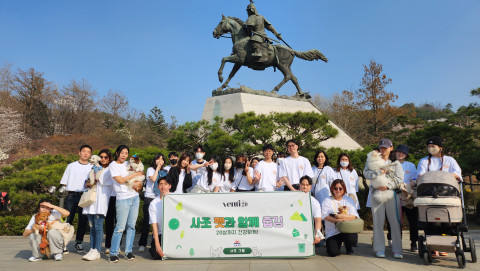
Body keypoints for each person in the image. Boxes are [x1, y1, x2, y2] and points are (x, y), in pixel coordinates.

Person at [417, 136, 462, 257]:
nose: (431, 148)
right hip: (429, 194)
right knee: (430, 219)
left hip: (447, 194)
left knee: (446, 219)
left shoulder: (449, 160)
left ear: (440, 147)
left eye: (433, 146)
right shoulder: (424, 161)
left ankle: (446, 245)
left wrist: (443, 176)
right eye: (429, 146)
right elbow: (420, 176)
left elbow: (458, 175)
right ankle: (432, 246)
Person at [364, 139, 404, 259]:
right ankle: (379, 249)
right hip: (376, 194)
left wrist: (387, 186)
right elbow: (366, 173)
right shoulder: (373, 160)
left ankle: (397, 250)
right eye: (381, 147)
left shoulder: (396, 163)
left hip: (391, 194)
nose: (383, 149)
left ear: (391, 148)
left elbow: (399, 179)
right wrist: (378, 171)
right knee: (377, 223)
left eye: (386, 147)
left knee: (395, 223)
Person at [109, 145, 144, 263]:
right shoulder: (113, 165)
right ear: (117, 153)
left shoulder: (127, 164)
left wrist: (134, 156)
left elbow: (137, 157)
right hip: (123, 198)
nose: (124, 155)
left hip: (134, 197)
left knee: (131, 226)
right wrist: (134, 174)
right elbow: (120, 180)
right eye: (122, 153)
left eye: (126, 153)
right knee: (120, 227)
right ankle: (113, 253)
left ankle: (128, 251)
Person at [60, 144, 93, 252]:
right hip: (71, 196)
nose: (85, 153)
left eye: (88, 152)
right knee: (67, 220)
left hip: (85, 196)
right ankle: (63, 243)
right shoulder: (71, 166)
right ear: (79, 152)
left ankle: (79, 242)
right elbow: (64, 182)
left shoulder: (92, 167)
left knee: (83, 221)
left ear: (90, 154)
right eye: (84, 151)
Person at [82, 149, 113, 261]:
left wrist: (96, 177)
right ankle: (92, 248)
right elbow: (87, 183)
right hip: (91, 200)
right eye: (101, 156)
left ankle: (97, 250)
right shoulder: (93, 168)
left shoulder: (110, 169)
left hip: (102, 200)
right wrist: (90, 181)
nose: (103, 159)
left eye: (106, 157)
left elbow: (103, 181)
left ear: (109, 158)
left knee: (98, 226)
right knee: (92, 226)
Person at [321, 179, 359, 257]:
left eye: (340, 188)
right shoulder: (327, 200)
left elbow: (354, 216)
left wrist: (341, 217)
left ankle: (349, 246)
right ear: (332, 189)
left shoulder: (349, 200)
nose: (338, 190)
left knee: (352, 239)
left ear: (344, 189)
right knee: (333, 253)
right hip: (333, 231)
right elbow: (325, 216)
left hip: (346, 229)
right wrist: (337, 220)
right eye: (335, 188)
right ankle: (335, 244)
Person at [139, 153, 167, 252]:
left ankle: (155, 241)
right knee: (147, 221)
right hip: (150, 197)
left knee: (158, 222)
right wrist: (157, 169)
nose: (160, 161)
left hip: (159, 198)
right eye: (158, 159)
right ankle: (142, 243)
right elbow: (154, 179)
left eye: (162, 159)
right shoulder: (151, 169)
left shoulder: (165, 171)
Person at [395, 144, 419, 252]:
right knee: (397, 221)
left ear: (406, 155)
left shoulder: (411, 165)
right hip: (395, 196)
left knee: (413, 221)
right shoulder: (391, 165)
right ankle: (397, 243)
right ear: (395, 152)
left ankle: (414, 242)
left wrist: (410, 184)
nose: (401, 154)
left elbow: (414, 180)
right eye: (399, 151)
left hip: (409, 197)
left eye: (403, 153)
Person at [148, 176, 171, 260]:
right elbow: (154, 225)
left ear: (170, 186)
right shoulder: (153, 203)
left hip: (174, 233)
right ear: (157, 187)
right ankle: (153, 247)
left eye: (165, 184)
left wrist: (168, 198)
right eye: (161, 184)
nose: (163, 186)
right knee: (157, 255)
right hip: (161, 234)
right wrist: (157, 245)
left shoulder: (176, 199)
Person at [299, 176, 324, 245]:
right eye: (303, 184)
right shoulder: (291, 198)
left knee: (319, 244)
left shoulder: (314, 202)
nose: (304, 187)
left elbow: (318, 220)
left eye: (307, 185)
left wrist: (317, 234)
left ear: (310, 187)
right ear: (299, 185)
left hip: (308, 229)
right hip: (294, 227)